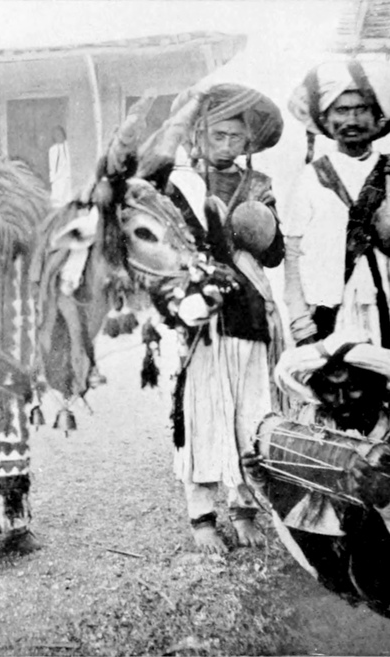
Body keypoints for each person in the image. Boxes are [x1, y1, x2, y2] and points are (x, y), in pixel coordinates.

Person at [245, 332, 390, 624]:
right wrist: (261, 476)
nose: (341, 401)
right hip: (332, 563)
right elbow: (284, 501)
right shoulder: (312, 425)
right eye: (329, 390)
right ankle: (342, 585)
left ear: (377, 387)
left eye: (353, 387)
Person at [162, 83, 287, 553]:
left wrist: (260, 225)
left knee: (250, 411)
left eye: (237, 137)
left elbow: (274, 255)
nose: (227, 144)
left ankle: (244, 508)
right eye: (218, 135)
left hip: (251, 308)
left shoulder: (259, 185)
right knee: (203, 412)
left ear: (249, 141)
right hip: (205, 312)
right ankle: (202, 516)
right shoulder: (183, 184)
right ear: (199, 135)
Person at [283, 60, 390, 363]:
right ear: (326, 119)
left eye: (361, 109)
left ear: (378, 118)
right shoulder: (311, 178)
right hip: (328, 310)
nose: (351, 119)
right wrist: (299, 319)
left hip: (385, 306)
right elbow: (293, 253)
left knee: (385, 384)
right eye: (341, 110)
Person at [48, 126, 74, 207]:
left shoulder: (69, 147)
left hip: (68, 177)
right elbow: (52, 166)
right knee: (58, 200)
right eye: (56, 135)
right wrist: (53, 178)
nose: (59, 136)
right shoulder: (52, 150)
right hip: (57, 179)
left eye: (60, 134)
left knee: (68, 198)